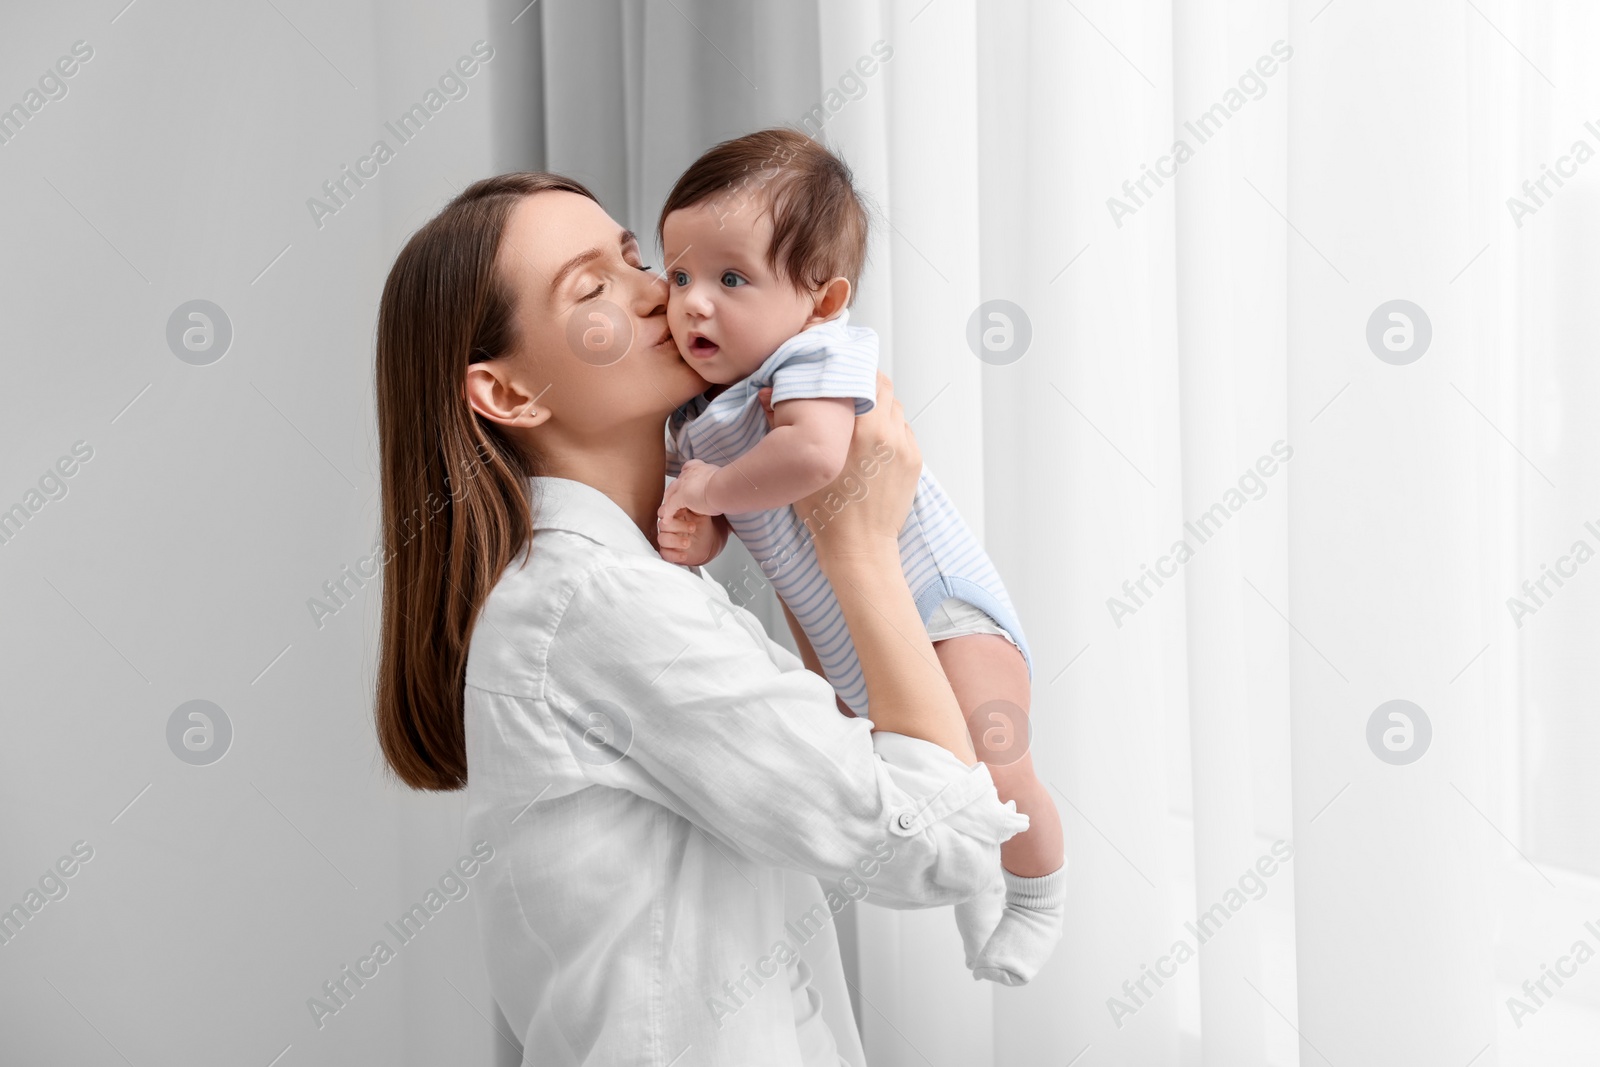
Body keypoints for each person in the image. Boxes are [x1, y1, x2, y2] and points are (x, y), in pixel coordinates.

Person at [372, 171, 1030, 1066]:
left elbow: (857, 774)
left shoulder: (631, 579)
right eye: (593, 287)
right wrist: (861, 548)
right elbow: (937, 845)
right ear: (511, 395)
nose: (661, 293)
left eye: (637, 258)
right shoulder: (597, 606)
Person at [654, 128, 1064, 985]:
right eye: (679, 274)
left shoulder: (817, 355)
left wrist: (705, 490)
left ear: (821, 296)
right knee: (918, 778)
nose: (693, 303)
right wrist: (703, 527)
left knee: (994, 757)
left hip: (939, 603)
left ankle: (1036, 897)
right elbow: (742, 499)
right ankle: (976, 889)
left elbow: (811, 459)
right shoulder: (698, 409)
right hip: (846, 627)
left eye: (732, 279)